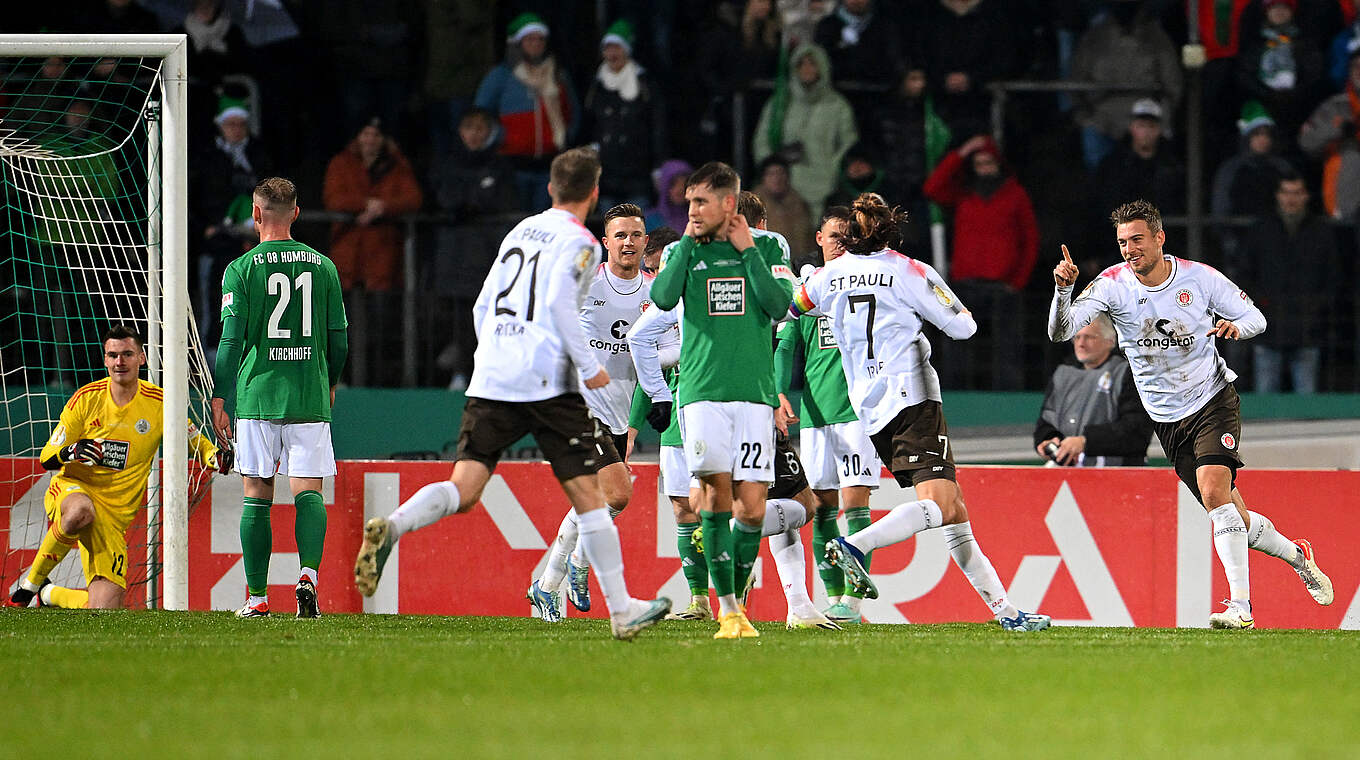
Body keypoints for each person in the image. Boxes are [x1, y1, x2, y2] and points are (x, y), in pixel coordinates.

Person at [353, 148, 671, 641]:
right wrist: (589, 370)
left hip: (494, 377)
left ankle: (393, 526)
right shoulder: (581, 243)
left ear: (549, 189)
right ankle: (620, 608)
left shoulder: (519, 233)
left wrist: (497, 356)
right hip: (548, 382)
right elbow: (565, 310)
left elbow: (483, 304)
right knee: (598, 496)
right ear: (592, 192)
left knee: (465, 488)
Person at [1049, 199, 1334, 628]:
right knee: (1230, 514)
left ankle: (1241, 608)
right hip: (1165, 417)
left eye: (1138, 240)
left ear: (1160, 237)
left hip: (1212, 399)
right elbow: (1061, 331)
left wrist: (1237, 328)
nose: (1130, 250)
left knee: (1214, 490)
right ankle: (1298, 555)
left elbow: (1256, 318)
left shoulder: (1200, 278)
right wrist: (1062, 290)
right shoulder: (1111, 284)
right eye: (1123, 242)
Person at [789, 193, 1051, 632]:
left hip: (868, 409)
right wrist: (942, 308)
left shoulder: (828, 275)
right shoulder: (908, 270)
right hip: (912, 398)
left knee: (955, 508)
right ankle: (856, 545)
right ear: (891, 227)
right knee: (941, 504)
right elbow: (963, 327)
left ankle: (1006, 612)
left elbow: (792, 309)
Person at [649, 161, 796, 639]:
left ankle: (736, 600)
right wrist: (689, 245)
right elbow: (663, 297)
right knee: (714, 494)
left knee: (752, 508)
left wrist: (748, 250)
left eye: (699, 202)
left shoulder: (770, 245)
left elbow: (779, 306)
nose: (690, 209)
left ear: (727, 204)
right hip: (701, 393)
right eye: (689, 202)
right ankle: (729, 610)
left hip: (753, 395)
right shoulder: (680, 248)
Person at [7, 325, 227, 609]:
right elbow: (47, 456)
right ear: (105, 360)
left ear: (142, 358)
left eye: (127, 354)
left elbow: (198, 445)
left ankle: (48, 595)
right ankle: (27, 588)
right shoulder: (86, 399)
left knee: (104, 610)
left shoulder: (161, 404)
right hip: (74, 489)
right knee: (79, 512)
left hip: (113, 519)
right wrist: (71, 450)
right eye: (113, 355)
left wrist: (216, 458)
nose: (119, 361)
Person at [212, 178, 349, 619]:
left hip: (258, 395)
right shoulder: (323, 266)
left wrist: (220, 395)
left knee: (257, 493)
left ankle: (257, 598)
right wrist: (332, 379)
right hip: (308, 391)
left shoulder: (241, 269)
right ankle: (307, 575)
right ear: (296, 212)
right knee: (308, 489)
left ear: (255, 214)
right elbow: (340, 339)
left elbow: (231, 341)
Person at [526, 203, 652, 622]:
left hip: (618, 411)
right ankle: (577, 566)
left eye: (635, 234)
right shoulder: (588, 283)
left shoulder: (656, 292)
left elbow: (657, 355)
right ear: (606, 242)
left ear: (645, 241)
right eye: (619, 235)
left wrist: (634, 421)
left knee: (596, 501)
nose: (628, 242)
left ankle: (548, 584)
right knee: (618, 493)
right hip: (581, 407)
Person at [775, 205, 884, 624]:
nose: (838, 240)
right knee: (820, 505)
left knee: (855, 500)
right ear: (818, 238)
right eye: (831, 234)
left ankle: (853, 606)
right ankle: (833, 598)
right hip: (816, 415)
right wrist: (778, 389)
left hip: (859, 411)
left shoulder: (864, 286)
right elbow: (786, 346)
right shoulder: (809, 289)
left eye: (846, 235)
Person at [923, 134, 1038, 389]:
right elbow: (932, 188)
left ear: (999, 165)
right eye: (979, 164)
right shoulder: (963, 193)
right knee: (958, 346)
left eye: (989, 163)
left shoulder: (1015, 194)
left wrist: (1017, 282)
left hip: (1003, 285)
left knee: (1007, 348)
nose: (985, 169)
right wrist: (962, 152)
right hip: (965, 284)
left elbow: (1030, 241)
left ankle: (1007, 402)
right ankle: (958, 395)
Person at [1233, 173, 1339, 393]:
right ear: (1278, 196)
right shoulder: (1261, 229)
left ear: (1306, 196)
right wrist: (1260, 305)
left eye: (1296, 193)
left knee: (1306, 404)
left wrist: (1316, 306)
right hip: (1267, 327)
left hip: (1308, 328)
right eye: (1286, 193)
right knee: (1266, 401)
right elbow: (1244, 274)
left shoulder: (1321, 231)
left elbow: (1333, 277)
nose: (1291, 199)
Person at [475, 12, 580, 212]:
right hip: (511, 167)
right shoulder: (501, 76)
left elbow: (573, 112)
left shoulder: (557, 74)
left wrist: (566, 136)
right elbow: (480, 114)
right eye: (530, 39)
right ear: (518, 42)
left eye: (540, 39)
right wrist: (500, 137)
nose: (536, 44)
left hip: (549, 166)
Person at [752, 43, 858, 226]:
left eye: (812, 64)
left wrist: (833, 169)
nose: (807, 69)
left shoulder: (837, 106)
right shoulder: (780, 104)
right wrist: (772, 171)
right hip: (784, 189)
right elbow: (761, 140)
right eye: (801, 64)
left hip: (823, 188)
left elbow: (849, 142)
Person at [1069, 0, 1182, 170]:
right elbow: (1076, 82)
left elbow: (1172, 85)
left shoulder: (1157, 39)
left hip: (1143, 116)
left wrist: (1161, 120)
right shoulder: (1095, 38)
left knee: (1150, 167)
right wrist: (1084, 116)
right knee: (1094, 146)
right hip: (1102, 119)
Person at [1033, 316, 1153, 467]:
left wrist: (1085, 441)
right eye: (1076, 337)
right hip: (1068, 469)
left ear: (1110, 340)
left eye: (1089, 337)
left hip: (1117, 472)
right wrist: (1049, 439)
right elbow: (1046, 421)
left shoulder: (1129, 374)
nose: (1081, 343)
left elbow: (1137, 431)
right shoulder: (1062, 374)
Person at [581, 20, 667, 211]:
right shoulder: (597, 85)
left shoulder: (644, 84)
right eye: (608, 48)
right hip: (606, 173)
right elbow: (589, 122)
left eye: (617, 47)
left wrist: (657, 165)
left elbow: (657, 125)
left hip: (637, 171)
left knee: (635, 226)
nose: (612, 54)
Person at [1210, 102, 1297, 261]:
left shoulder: (1282, 169)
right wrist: (1231, 244)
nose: (1263, 139)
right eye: (1257, 134)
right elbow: (1220, 210)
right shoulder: (1231, 170)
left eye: (1266, 134)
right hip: (1242, 245)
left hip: (1277, 246)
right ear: (1246, 137)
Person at [1298, 50, 1360, 222]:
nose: (1359, 71)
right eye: (1355, 67)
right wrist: (1336, 130)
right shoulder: (1335, 106)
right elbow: (1307, 143)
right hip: (1345, 200)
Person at [753, 155, 815, 263]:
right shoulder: (752, 206)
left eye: (781, 173)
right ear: (763, 178)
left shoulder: (799, 204)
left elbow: (808, 241)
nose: (777, 178)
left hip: (797, 268)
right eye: (771, 174)